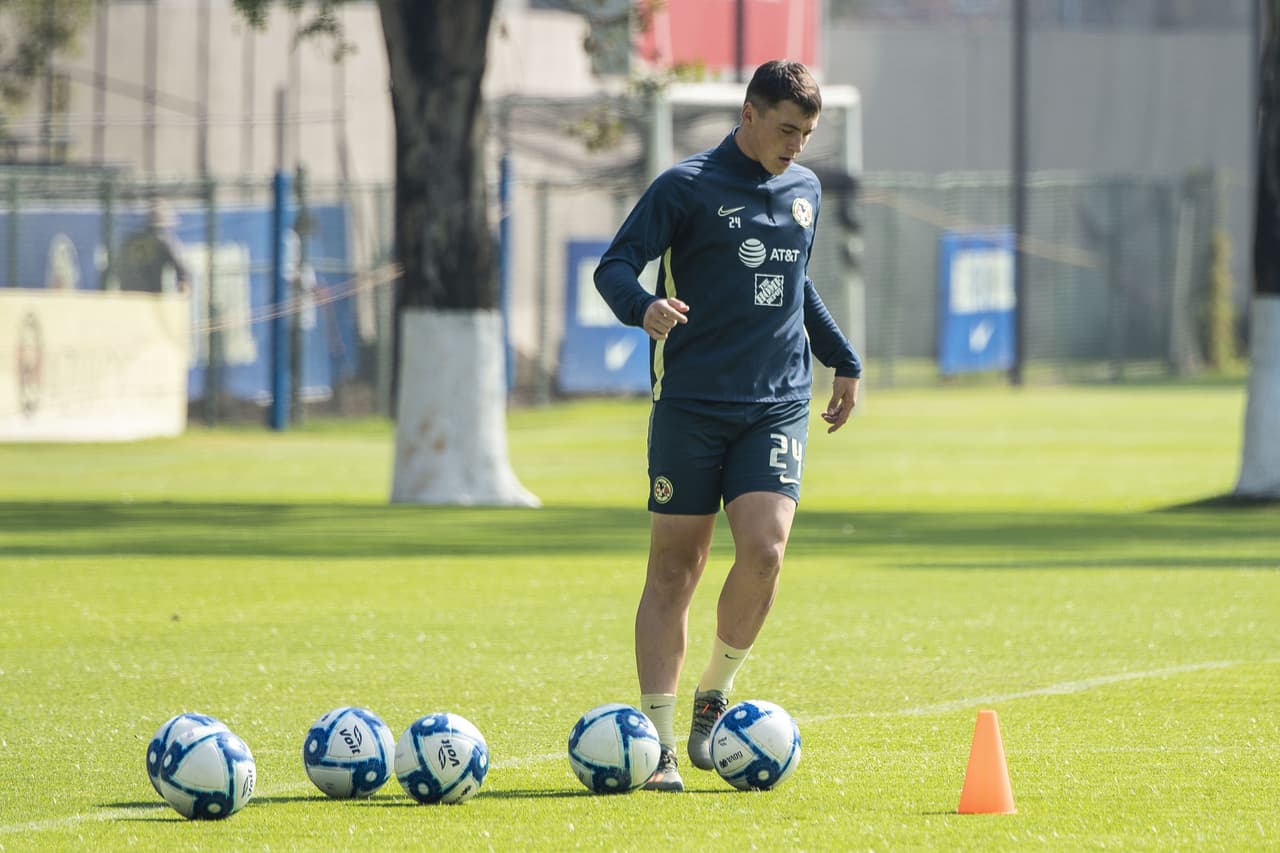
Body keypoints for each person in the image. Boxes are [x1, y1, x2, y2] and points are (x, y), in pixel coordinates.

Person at [593, 59, 863, 792]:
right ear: (749, 114)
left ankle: (713, 693)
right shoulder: (684, 187)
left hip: (776, 402)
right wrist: (644, 307)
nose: (796, 147)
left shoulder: (804, 191)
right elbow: (615, 266)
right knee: (675, 567)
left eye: (806, 135)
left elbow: (796, 284)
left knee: (766, 549)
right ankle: (658, 741)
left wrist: (841, 358)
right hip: (690, 402)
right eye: (786, 130)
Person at [109, 200, 190, 294]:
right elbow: (182, 267)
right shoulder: (164, 241)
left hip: (128, 296)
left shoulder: (130, 240)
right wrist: (184, 284)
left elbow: (113, 269)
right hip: (151, 298)